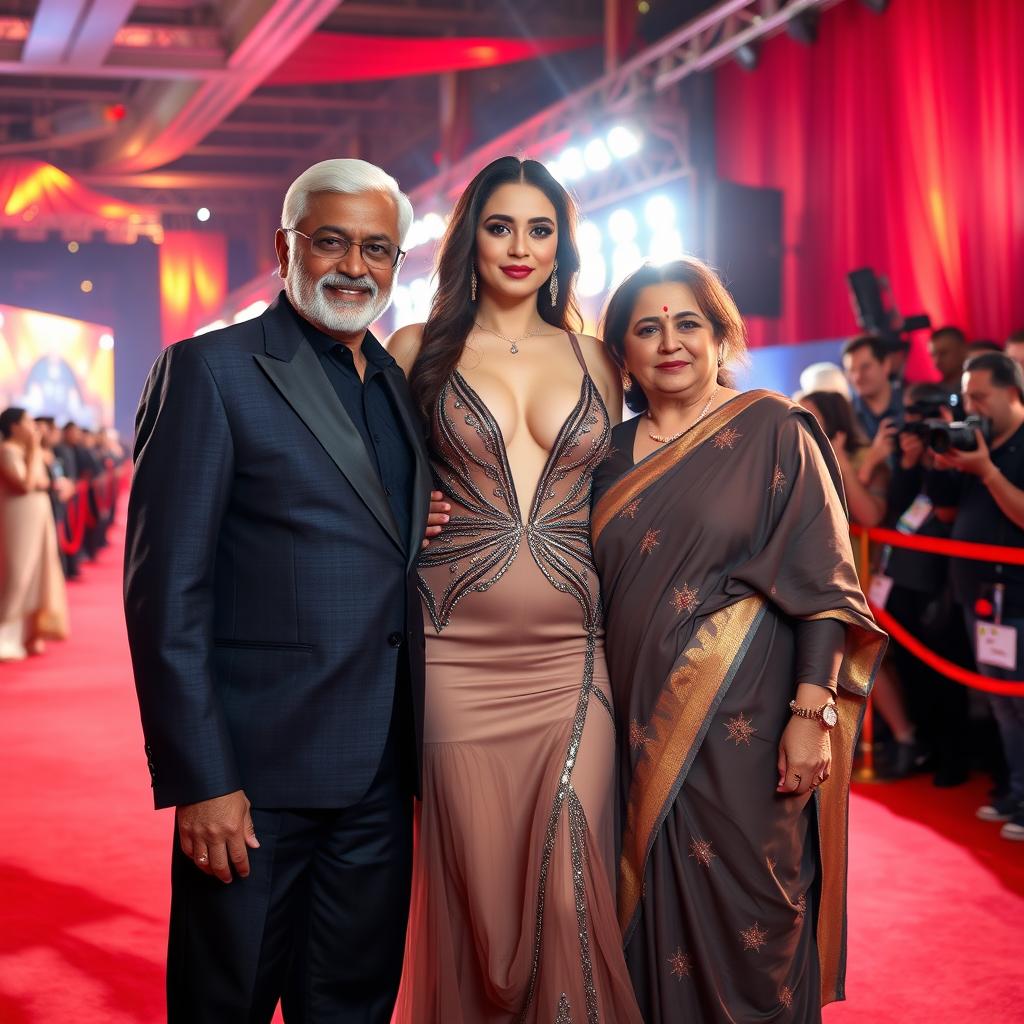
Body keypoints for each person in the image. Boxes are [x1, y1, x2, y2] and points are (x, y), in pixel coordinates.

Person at [124, 159, 445, 1021]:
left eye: (377, 248)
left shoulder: (398, 386)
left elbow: (386, 539)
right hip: (254, 780)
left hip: (380, 772)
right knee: (222, 1002)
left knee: (351, 1004)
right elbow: (166, 594)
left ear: (398, 262)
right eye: (330, 240)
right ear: (285, 247)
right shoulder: (210, 371)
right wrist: (201, 779)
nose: (353, 266)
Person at [591, 258, 886, 1023]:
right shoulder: (603, 457)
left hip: (750, 731)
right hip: (628, 729)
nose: (669, 342)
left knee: (760, 921)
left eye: (688, 323)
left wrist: (810, 714)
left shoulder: (774, 429)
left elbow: (826, 583)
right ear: (620, 348)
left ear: (720, 335)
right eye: (647, 327)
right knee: (645, 921)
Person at [388, 156, 642, 1023]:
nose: (521, 247)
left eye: (541, 229)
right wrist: (402, 509)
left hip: (575, 661)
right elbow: (366, 482)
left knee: (571, 894)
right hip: (453, 657)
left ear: (563, 244)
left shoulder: (602, 358)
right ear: (471, 237)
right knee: (481, 904)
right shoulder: (416, 351)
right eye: (502, 226)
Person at [929, 352, 1024, 840]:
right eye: (967, 396)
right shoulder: (975, 441)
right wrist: (943, 468)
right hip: (977, 593)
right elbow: (945, 517)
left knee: (1019, 699)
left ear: (1012, 393)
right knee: (1000, 702)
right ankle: (1015, 789)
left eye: (981, 396)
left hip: (1018, 596)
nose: (972, 406)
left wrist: (986, 470)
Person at [0, 407, 68, 660]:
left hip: (38, 517)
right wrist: (34, 450)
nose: (33, 427)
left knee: (40, 571)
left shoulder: (30, 451)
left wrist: (35, 451)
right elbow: (27, 483)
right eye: (27, 422)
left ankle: (30, 633)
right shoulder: (7, 451)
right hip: (17, 518)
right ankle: (6, 634)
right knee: (19, 572)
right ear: (14, 427)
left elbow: (43, 482)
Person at [798, 389, 888, 528]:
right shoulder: (800, 458)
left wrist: (843, 464)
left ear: (832, 421)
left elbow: (869, 517)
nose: (799, 425)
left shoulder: (866, 458)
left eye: (809, 418)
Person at [841, 333, 902, 464]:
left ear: (886, 365)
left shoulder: (910, 405)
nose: (857, 377)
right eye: (851, 370)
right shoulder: (845, 416)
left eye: (865, 367)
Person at [928, 325, 970, 400]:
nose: (937, 361)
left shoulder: (973, 388)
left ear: (962, 350)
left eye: (943, 353)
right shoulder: (932, 394)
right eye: (933, 355)